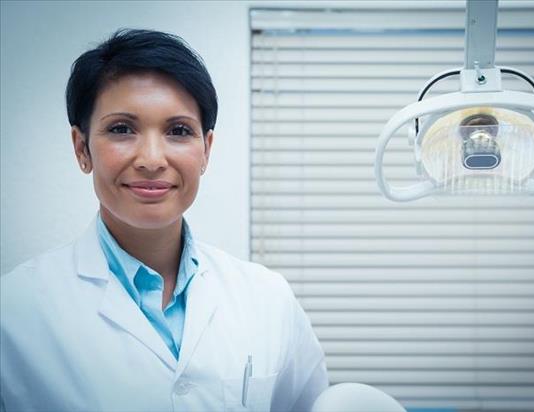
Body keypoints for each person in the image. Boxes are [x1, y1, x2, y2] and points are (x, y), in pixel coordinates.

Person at [0, 29, 328, 412]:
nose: (153, 159)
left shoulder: (269, 299)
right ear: (81, 148)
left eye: (178, 131)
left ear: (205, 151)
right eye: (122, 129)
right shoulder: (14, 312)